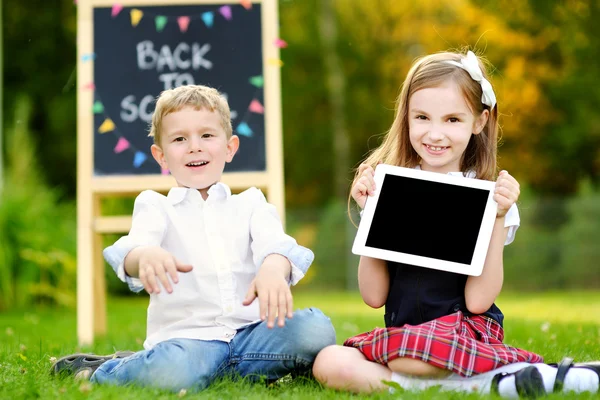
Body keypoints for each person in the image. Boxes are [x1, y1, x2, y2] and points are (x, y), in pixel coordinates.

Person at [312, 50, 600, 397]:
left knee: (411, 359)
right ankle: (494, 384)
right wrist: (372, 215)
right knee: (329, 362)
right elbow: (373, 296)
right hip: (405, 336)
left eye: (452, 120)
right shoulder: (392, 189)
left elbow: (478, 300)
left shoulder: (490, 198)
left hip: (462, 329)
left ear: (478, 122)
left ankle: (447, 382)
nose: (435, 134)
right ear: (406, 118)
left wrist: (497, 218)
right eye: (422, 117)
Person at [51, 84, 336, 392]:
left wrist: (272, 269)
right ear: (161, 156)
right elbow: (133, 251)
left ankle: (229, 370)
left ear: (230, 147)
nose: (194, 147)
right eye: (179, 139)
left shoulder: (251, 203)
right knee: (176, 369)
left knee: (316, 328)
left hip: (251, 337)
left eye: (207, 136)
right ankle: (105, 371)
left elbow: (277, 247)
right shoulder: (155, 206)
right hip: (189, 344)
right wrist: (145, 257)